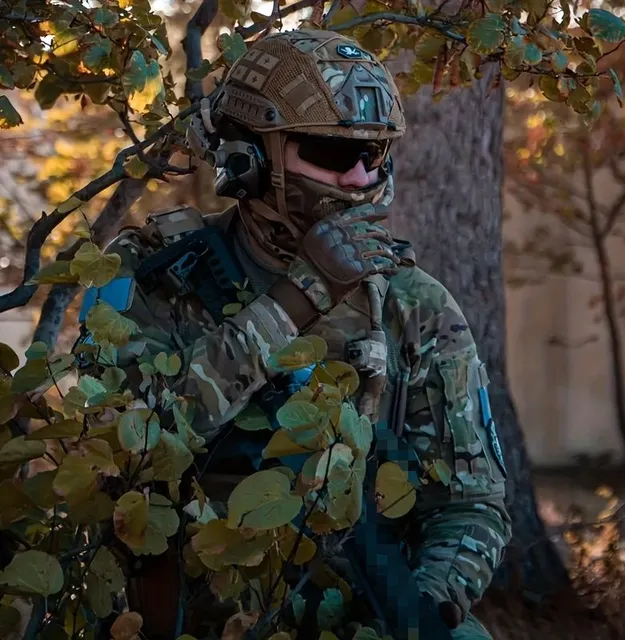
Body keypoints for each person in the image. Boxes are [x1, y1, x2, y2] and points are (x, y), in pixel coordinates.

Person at [76, 28, 511, 640]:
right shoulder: (153, 275)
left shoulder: (413, 304)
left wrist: (419, 609)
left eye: (375, 155)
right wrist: (300, 297)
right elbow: (122, 450)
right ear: (249, 159)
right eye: (333, 155)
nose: (360, 178)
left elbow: (471, 505)